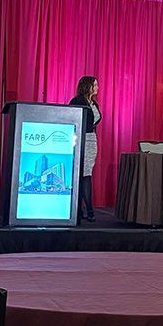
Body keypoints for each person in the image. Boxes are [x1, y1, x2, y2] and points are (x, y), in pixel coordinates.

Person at [70, 75, 101, 221]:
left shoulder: (94, 103)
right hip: (79, 139)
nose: (97, 88)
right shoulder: (77, 101)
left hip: (91, 139)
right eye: (94, 85)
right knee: (82, 173)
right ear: (87, 86)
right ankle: (88, 210)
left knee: (87, 172)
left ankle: (81, 209)